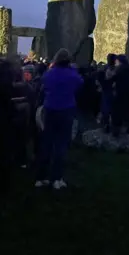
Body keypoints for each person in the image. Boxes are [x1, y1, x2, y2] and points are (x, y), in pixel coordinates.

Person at [35, 49, 83, 189]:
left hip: (50, 109)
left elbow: (43, 86)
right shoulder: (73, 75)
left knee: (47, 143)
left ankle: (41, 178)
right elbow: (80, 84)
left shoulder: (49, 73)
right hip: (66, 110)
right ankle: (57, 178)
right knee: (61, 144)